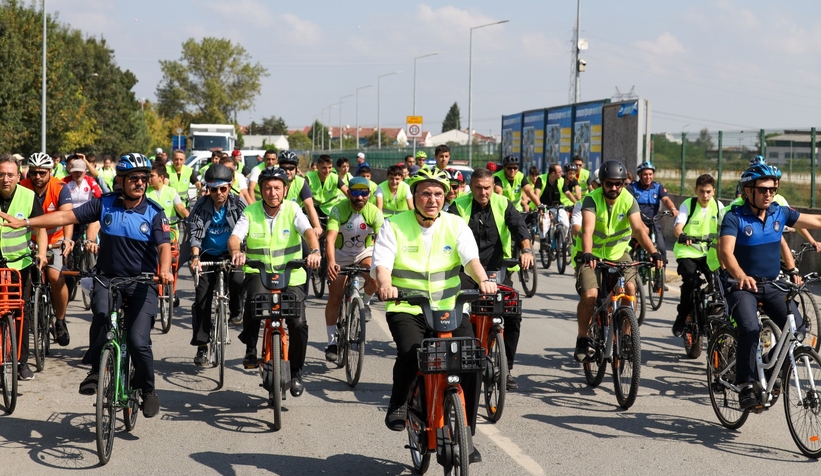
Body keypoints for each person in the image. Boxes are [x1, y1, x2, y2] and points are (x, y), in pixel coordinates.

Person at [3, 153, 173, 417]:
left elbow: (164, 246)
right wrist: (26, 222)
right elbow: (63, 218)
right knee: (102, 320)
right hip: (107, 279)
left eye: (143, 178)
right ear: (121, 180)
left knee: (138, 342)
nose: (140, 183)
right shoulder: (104, 204)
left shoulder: (154, 212)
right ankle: (96, 371)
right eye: (133, 179)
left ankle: (148, 389)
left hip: (142, 283)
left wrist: (164, 270)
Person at [373, 168, 496, 464]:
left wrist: (483, 281)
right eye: (426, 193)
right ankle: (399, 402)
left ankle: (466, 433)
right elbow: (382, 264)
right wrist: (386, 284)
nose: (432, 199)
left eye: (438, 194)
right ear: (414, 196)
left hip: (450, 306)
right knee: (412, 352)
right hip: (408, 307)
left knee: (471, 359)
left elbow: (471, 260)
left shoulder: (455, 225)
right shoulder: (394, 225)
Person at [718, 162, 821, 411]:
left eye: (772, 190)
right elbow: (725, 251)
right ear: (747, 191)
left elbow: (814, 219)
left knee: (798, 328)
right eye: (763, 189)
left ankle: (769, 365)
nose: (768, 194)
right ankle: (744, 385)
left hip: (772, 284)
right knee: (750, 328)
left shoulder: (779, 212)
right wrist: (741, 275)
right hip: (741, 285)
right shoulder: (735, 217)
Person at [228, 167, 321, 398]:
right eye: (267, 187)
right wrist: (237, 252)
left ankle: (297, 371)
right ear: (260, 190)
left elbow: (308, 232)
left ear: (285, 189)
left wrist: (316, 251)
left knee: (298, 323)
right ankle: (251, 348)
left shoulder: (293, 209)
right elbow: (235, 237)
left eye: (277, 188)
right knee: (254, 303)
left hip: (292, 274)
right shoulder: (250, 212)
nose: (272, 192)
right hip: (259, 273)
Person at [449, 167, 532, 390]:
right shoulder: (458, 205)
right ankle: (462, 364)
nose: (483, 192)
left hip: (497, 271)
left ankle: (506, 369)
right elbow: (446, 232)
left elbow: (519, 227)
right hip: (465, 272)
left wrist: (526, 250)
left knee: (513, 313)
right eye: (478, 188)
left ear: (492, 186)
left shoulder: (502, 203)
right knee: (458, 313)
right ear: (471, 186)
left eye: (487, 188)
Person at [574, 160, 664, 362]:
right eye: (609, 184)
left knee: (630, 289)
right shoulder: (591, 200)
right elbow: (587, 229)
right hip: (591, 254)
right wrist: (587, 253)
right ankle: (582, 337)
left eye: (619, 184)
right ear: (602, 183)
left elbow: (639, 229)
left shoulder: (628, 199)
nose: (614, 188)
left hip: (619, 253)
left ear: (623, 183)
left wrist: (654, 252)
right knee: (591, 294)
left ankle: (625, 335)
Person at [188, 164, 246, 363]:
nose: (218, 193)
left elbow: (246, 228)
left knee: (238, 279)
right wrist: (195, 257)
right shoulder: (200, 205)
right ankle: (202, 346)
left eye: (223, 188)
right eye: (214, 189)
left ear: (230, 187)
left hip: (231, 255)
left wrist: (243, 252)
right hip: (206, 255)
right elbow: (195, 233)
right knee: (202, 299)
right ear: (208, 189)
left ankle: (237, 311)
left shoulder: (238, 204)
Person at [323, 177, 383, 360]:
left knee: (374, 277)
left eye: (363, 193)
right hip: (341, 256)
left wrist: (382, 265)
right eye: (355, 192)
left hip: (364, 253)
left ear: (369, 194)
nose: (360, 197)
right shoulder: (338, 209)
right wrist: (331, 262)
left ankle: (364, 303)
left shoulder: (374, 212)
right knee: (335, 298)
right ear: (348, 193)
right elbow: (330, 239)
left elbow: (381, 240)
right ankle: (332, 342)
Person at [0, 155, 48, 381]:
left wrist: (40, 252)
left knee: (21, 313)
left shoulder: (28, 196)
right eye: (1, 174)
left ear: (19, 177)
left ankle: (21, 362)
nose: (5, 179)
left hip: (20, 264)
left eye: (10, 174)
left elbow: (41, 228)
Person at [21, 152, 74, 349]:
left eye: (42, 173)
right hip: (29, 240)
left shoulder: (60, 187)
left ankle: (60, 321)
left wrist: (68, 239)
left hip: (55, 240)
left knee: (55, 276)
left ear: (50, 172)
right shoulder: (21, 187)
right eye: (34, 172)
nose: (37, 177)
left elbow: (68, 216)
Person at [671, 174, 722, 337]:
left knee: (720, 284)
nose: (705, 196)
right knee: (691, 283)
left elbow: (727, 227)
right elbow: (677, 227)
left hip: (710, 254)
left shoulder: (719, 207)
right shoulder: (689, 205)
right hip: (688, 252)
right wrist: (682, 235)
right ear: (695, 191)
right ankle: (681, 317)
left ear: (714, 191)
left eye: (708, 192)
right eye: (701, 192)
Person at [627, 161, 678, 257]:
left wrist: (673, 208)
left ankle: (661, 270)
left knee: (661, 248)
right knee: (629, 248)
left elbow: (666, 199)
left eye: (650, 174)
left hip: (653, 222)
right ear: (639, 175)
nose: (648, 177)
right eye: (645, 174)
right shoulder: (632, 188)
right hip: (637, 222)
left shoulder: (658, 187)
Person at [278, 151, 323, 239]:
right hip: (276, 222)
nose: (287, 171)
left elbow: (309, 206)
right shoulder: (273, 181)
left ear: (296, 169)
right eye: (283, 168)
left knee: (309, 249)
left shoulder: (301, 182)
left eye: (291, 168)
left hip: (295, 222)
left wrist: (317, 226)